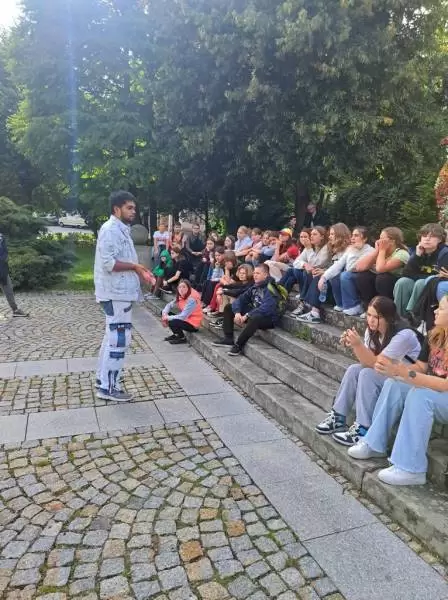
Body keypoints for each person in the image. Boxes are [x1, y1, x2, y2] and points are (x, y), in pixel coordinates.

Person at [348, 294, 448, 486]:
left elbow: (445, 385)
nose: (435, 311)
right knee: (393, 384)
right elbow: (421, 367)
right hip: (434, 389)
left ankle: (411, 468)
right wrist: (397, 371)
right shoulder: (434, 334)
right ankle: (374, 443)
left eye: (441, 308)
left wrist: (406, 373)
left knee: (420, 396)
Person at [315, 296, 421, 446]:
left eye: (376, 317)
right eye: (369, 315)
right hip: (390, 374)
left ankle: (363, 428)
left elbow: (375, 363)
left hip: (409, 380)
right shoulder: (371, 331)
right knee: (354, 370)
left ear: (388, 318)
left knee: (367, 374)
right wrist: (355, 345)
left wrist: (357, 345)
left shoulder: (404, 335)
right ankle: (338, 417)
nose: (371, 320)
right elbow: (367, 362)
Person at [94, 190, 150, 402]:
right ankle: (109, 387)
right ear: (116, 209)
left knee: (111, 338)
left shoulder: (120, 229)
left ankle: (103, 380)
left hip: (119, 292)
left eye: (134, 208)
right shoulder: (110, 230)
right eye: (129, 208)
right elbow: (109, 263)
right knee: (119, 340)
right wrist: (135, 267)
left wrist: (139, 270)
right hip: (115, 293)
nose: (133, 211)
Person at [211, 263, 283, 356]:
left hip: (269, 319)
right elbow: (241, 299)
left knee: (255, 318)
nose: (255, 275)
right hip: (255, 313)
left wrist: (247, 315)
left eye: (258, 273)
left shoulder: (271, 288)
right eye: (254, 273)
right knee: (229, 307)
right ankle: (228, 338)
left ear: (265, 275)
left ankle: (238, 345)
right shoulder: (255, 286)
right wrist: (237, 312)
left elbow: (266, 309)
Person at [315, 226, 373, 317]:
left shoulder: (370, 250)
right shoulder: (351, 249)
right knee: (335, 275)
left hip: (363, 279)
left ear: (365, 239)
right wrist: (324, 277)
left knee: (345, 275)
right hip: (352, 277)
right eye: (352, 235)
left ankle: (354, 305)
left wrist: (354, 251)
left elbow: (353, 267)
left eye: (356, 236)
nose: (352, 238)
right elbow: (338, 264)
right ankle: (341, 304)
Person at [393, 223, 448, 317]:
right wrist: (417, 255)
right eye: (424, 236)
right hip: (421, 282)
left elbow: (440, 277)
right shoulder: (418, 251)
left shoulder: (445, 253)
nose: (427, 239)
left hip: (434, 286)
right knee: (403, 282)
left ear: (440, 239)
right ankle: (398, 316)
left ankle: (415, 316)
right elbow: (406, 273)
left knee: (421, 283)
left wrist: (417, 276)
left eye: (432, 236)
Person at [353, 227, 410, 308]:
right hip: (380, 283)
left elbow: (380, 269)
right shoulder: (381, 252)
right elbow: (359, 267)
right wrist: (376, 251)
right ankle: (369, 307)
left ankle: (384, 308)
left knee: (383, 278)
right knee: (362, 276)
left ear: (392, 241)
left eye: (382, 239)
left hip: (395, 285)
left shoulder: (402, 253)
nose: (378, 241)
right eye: (379, 238)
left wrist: (382, 250)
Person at [161, 279, 202, 344]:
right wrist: (164, 314)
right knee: (165, 313)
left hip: (193, 324)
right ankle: (176, 335)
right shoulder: (180, 296)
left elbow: (183, 316)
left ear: (188, 288)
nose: (181, 289)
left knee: (173, 321)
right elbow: (169, 305)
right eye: (180, 287)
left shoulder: (192, 299)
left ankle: (182, 338)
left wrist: (167, 318)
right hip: (186, 320)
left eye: (184, 287)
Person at [0, 232, 29, 317]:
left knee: (8, 289)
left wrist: (3, 259)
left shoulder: (1, 237)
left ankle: (15, 310)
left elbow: (5, 252)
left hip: (2, 270)